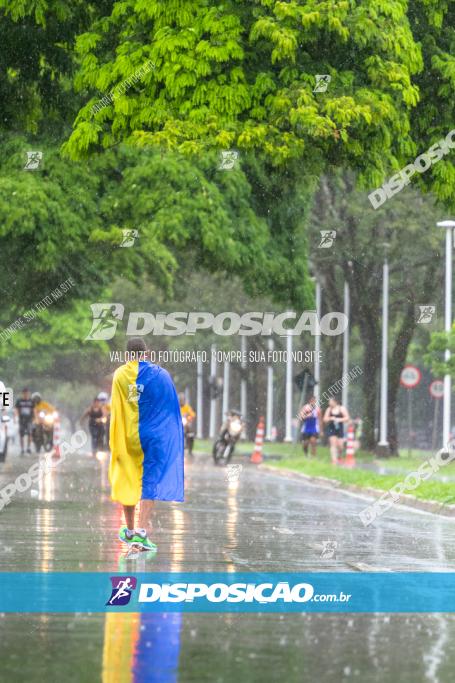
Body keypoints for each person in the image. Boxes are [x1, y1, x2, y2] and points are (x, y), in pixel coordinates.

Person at [109, 337, 184, 552]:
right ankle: (141, 533)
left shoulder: (120, 375)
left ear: (126, 355)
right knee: (149, 481)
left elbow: (117, 408)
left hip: (130, 436)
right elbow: (170, 407)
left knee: (129, 478)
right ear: (146, 353)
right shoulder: (161, 375)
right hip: (154, 436)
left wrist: (116, 439)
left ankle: (131, 530)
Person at [323, 397, 350, 464]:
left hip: (339, 428)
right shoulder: (329, 409)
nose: (329, 403)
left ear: (335, 402)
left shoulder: (341, 408)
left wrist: (339, 419)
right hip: (332, 429)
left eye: (330, 401)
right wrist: (330, 418)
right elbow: (325, 419)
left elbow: (347, 418)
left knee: (340, 445)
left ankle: (339, 456)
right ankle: (334, 460)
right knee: (333, 444)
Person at [15, 387, 34, 455]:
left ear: (29, 394)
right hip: (21, 420)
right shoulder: (19, 401)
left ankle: (28, 448)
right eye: (25, 393)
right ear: (23, 394)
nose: (26, 394)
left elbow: (34, 410)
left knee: (30, 434)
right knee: (21, 435)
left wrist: (35, 418)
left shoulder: (31, 401)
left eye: (27, 393)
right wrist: (16, 417)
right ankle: (22, 449)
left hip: (29, 420)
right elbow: (16, 409)